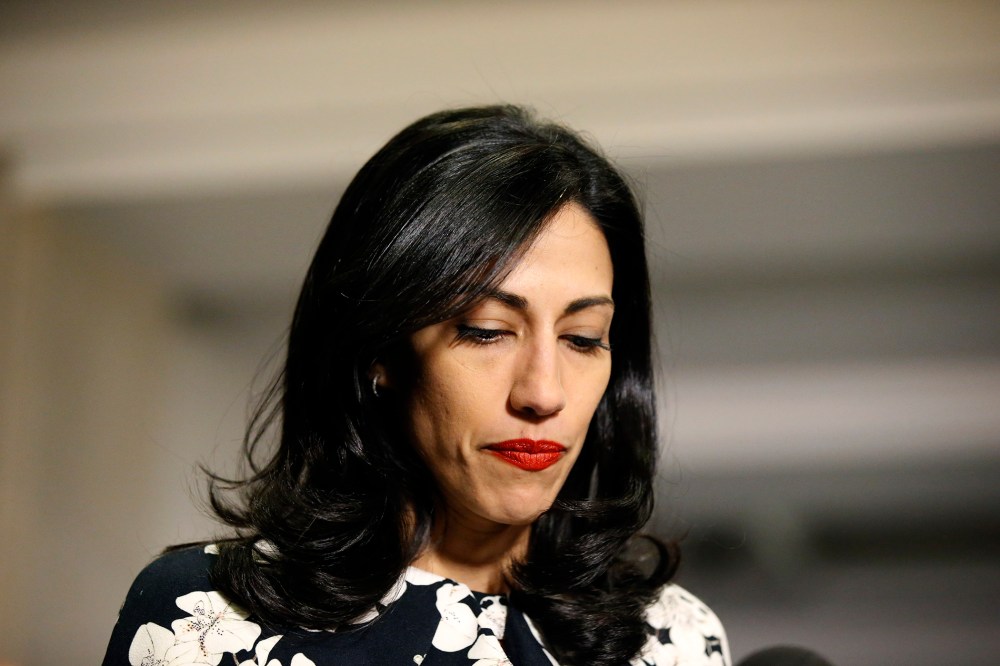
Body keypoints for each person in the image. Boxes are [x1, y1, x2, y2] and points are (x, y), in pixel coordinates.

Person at [102, 105, 730, 666]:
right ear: (381, 350)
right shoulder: (209, 621)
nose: (543, 393)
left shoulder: (670, 638)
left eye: (583, 338)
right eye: (487, 331)